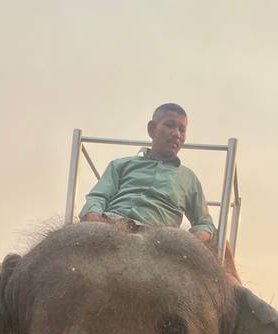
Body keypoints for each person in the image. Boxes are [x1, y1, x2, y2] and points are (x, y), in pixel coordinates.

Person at [78, 102, 216, 241]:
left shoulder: (189, 178)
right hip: (112, 226)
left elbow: (204, 223)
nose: (176, 134)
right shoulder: (120, 165)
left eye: (182, 130)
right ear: (152, 129)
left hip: (160, 239)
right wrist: (94, 218)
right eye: (170, 125)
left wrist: (192, 241)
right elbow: (98, 197)